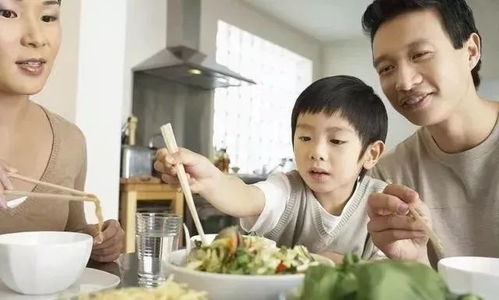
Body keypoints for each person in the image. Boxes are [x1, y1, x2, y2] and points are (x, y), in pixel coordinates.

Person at [155, 75, 389, 262]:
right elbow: (246, 196)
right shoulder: (287, 189)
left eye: (336, 141)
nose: (316, 152)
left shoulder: (382, 203)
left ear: (371, 154)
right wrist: (209, 179)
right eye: (305, 137)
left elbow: (392, 273)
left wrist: (340, 263)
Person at [361, 0, 499, 266]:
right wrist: (415, 261)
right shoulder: (391, 176)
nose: (404, 82)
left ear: (470, 51)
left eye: (420, 54)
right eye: (387, 68)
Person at [0, 0, 124, 262]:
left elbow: (70, 232)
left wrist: (94, 241)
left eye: (48, 17)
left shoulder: (70, 141)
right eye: (7, 12)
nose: (36, 38)